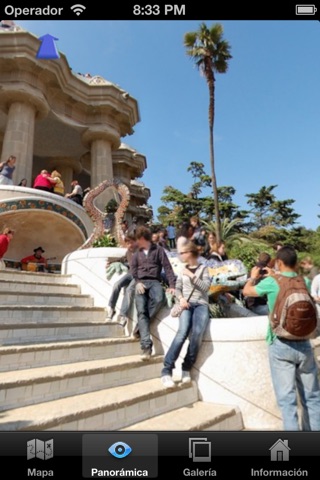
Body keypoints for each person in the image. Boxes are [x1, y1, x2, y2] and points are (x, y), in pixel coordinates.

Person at [242, 245, 320, 431]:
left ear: (278, 262)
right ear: (295, 262)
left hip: (280, 344)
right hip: (304, 344)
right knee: (312, 397)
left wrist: (254, 276)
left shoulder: (272, 282)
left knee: (287, 401)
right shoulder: (305, 282)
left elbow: (246, 292)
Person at [161, 240, 211, 388]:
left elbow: (206, 288)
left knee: (197, 334)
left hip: (201, 304)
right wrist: (181, 298)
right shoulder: (182, 270)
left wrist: (192, 275)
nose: (181, 255)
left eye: (183, 252)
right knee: (182, 332)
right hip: (185, 304)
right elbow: (177, 288)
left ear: (191, 253)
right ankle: (166, 370)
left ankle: (186, 367)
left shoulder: (203, 269)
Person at [130, 226, 176, 360]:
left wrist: (172, 285)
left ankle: (140, 326)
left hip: (154, 281)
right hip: (140, 282)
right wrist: (137, 281)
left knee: (159, 299)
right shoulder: (136, 253)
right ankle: (146, 347)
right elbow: (133, 270)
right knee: (141, 311)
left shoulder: (159, 250)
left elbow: (167, 267)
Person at [105, 233, 138, 327]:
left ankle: (123, 316)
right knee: (116, 285)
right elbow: (122, 259)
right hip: (130, 273)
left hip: (139, 276)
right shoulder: (128, 252)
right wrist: (110, 262)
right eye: (127, 243)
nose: (129, 245)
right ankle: (111, 309)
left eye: (131, 242)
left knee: (129, 290)